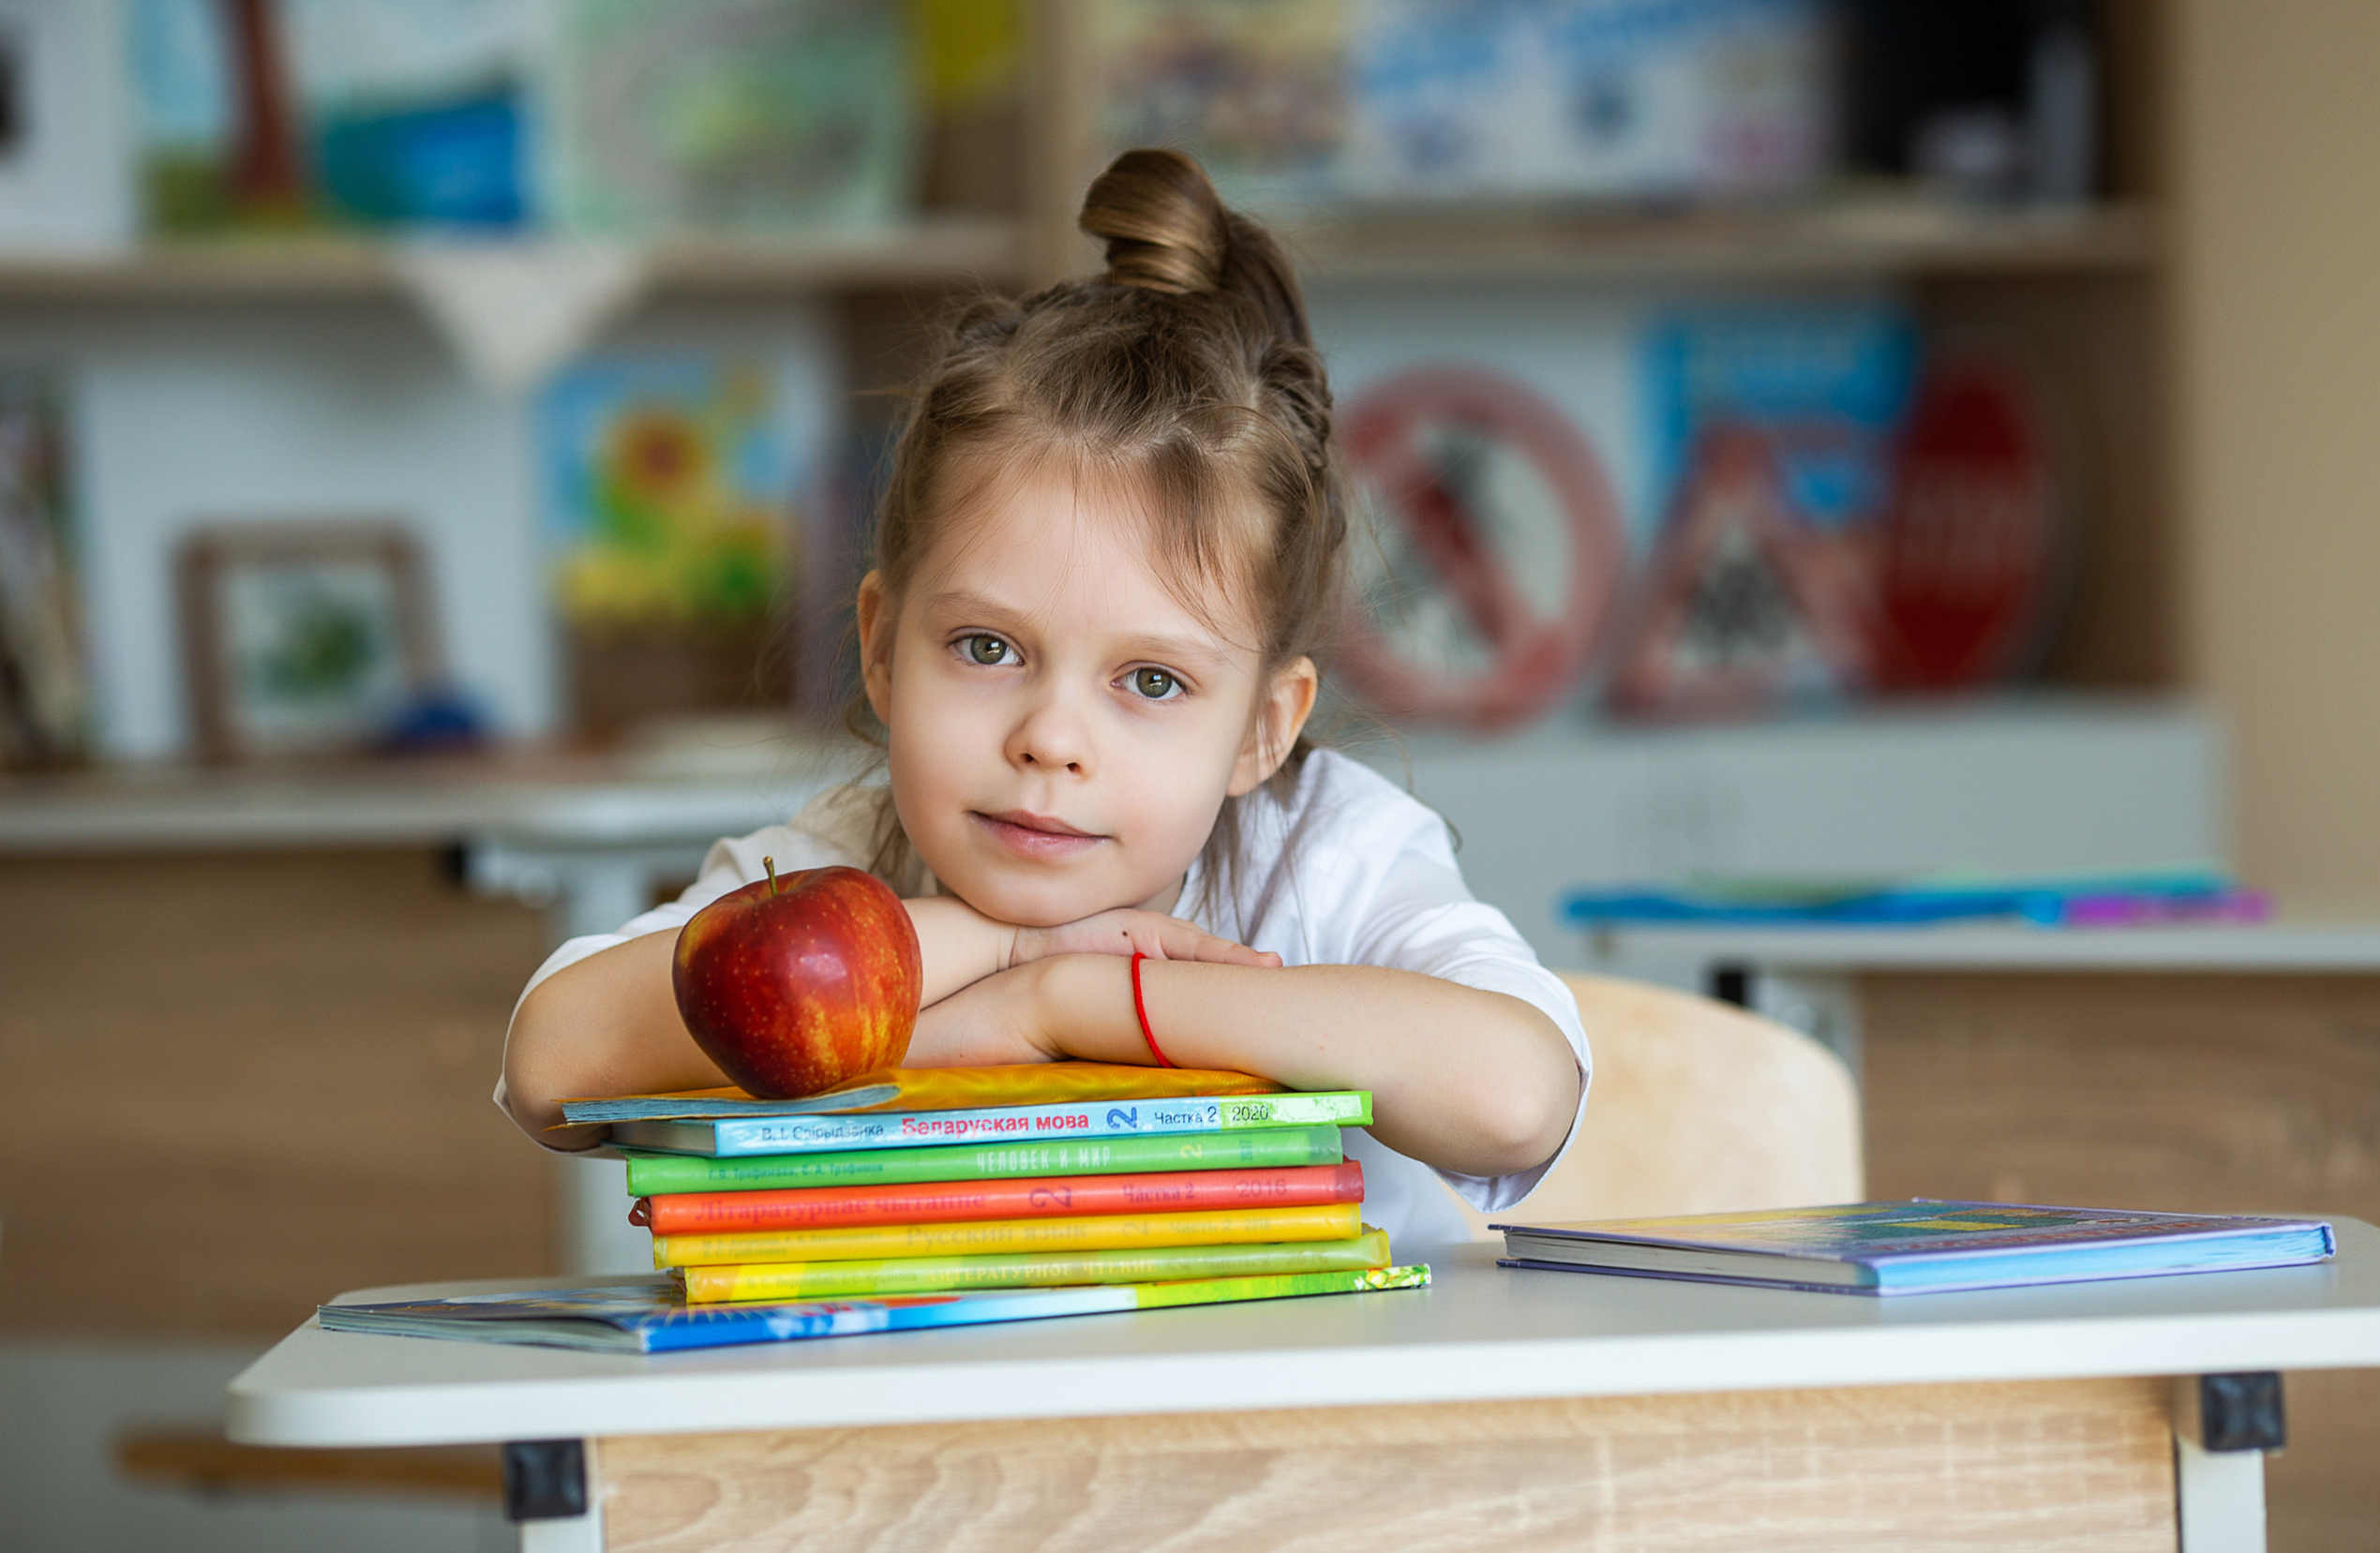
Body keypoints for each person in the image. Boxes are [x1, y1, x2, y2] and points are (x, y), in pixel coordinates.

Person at [500, 149, 1589, 1257]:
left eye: (1151, 680)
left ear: (1265, 727)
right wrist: (1002, 963)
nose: (1051, 740)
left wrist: (1079, 1002)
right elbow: (550, 1064)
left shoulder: (1321, 858)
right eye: (987, 646)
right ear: (881, 648)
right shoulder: (835, 872)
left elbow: (1514, 1097)